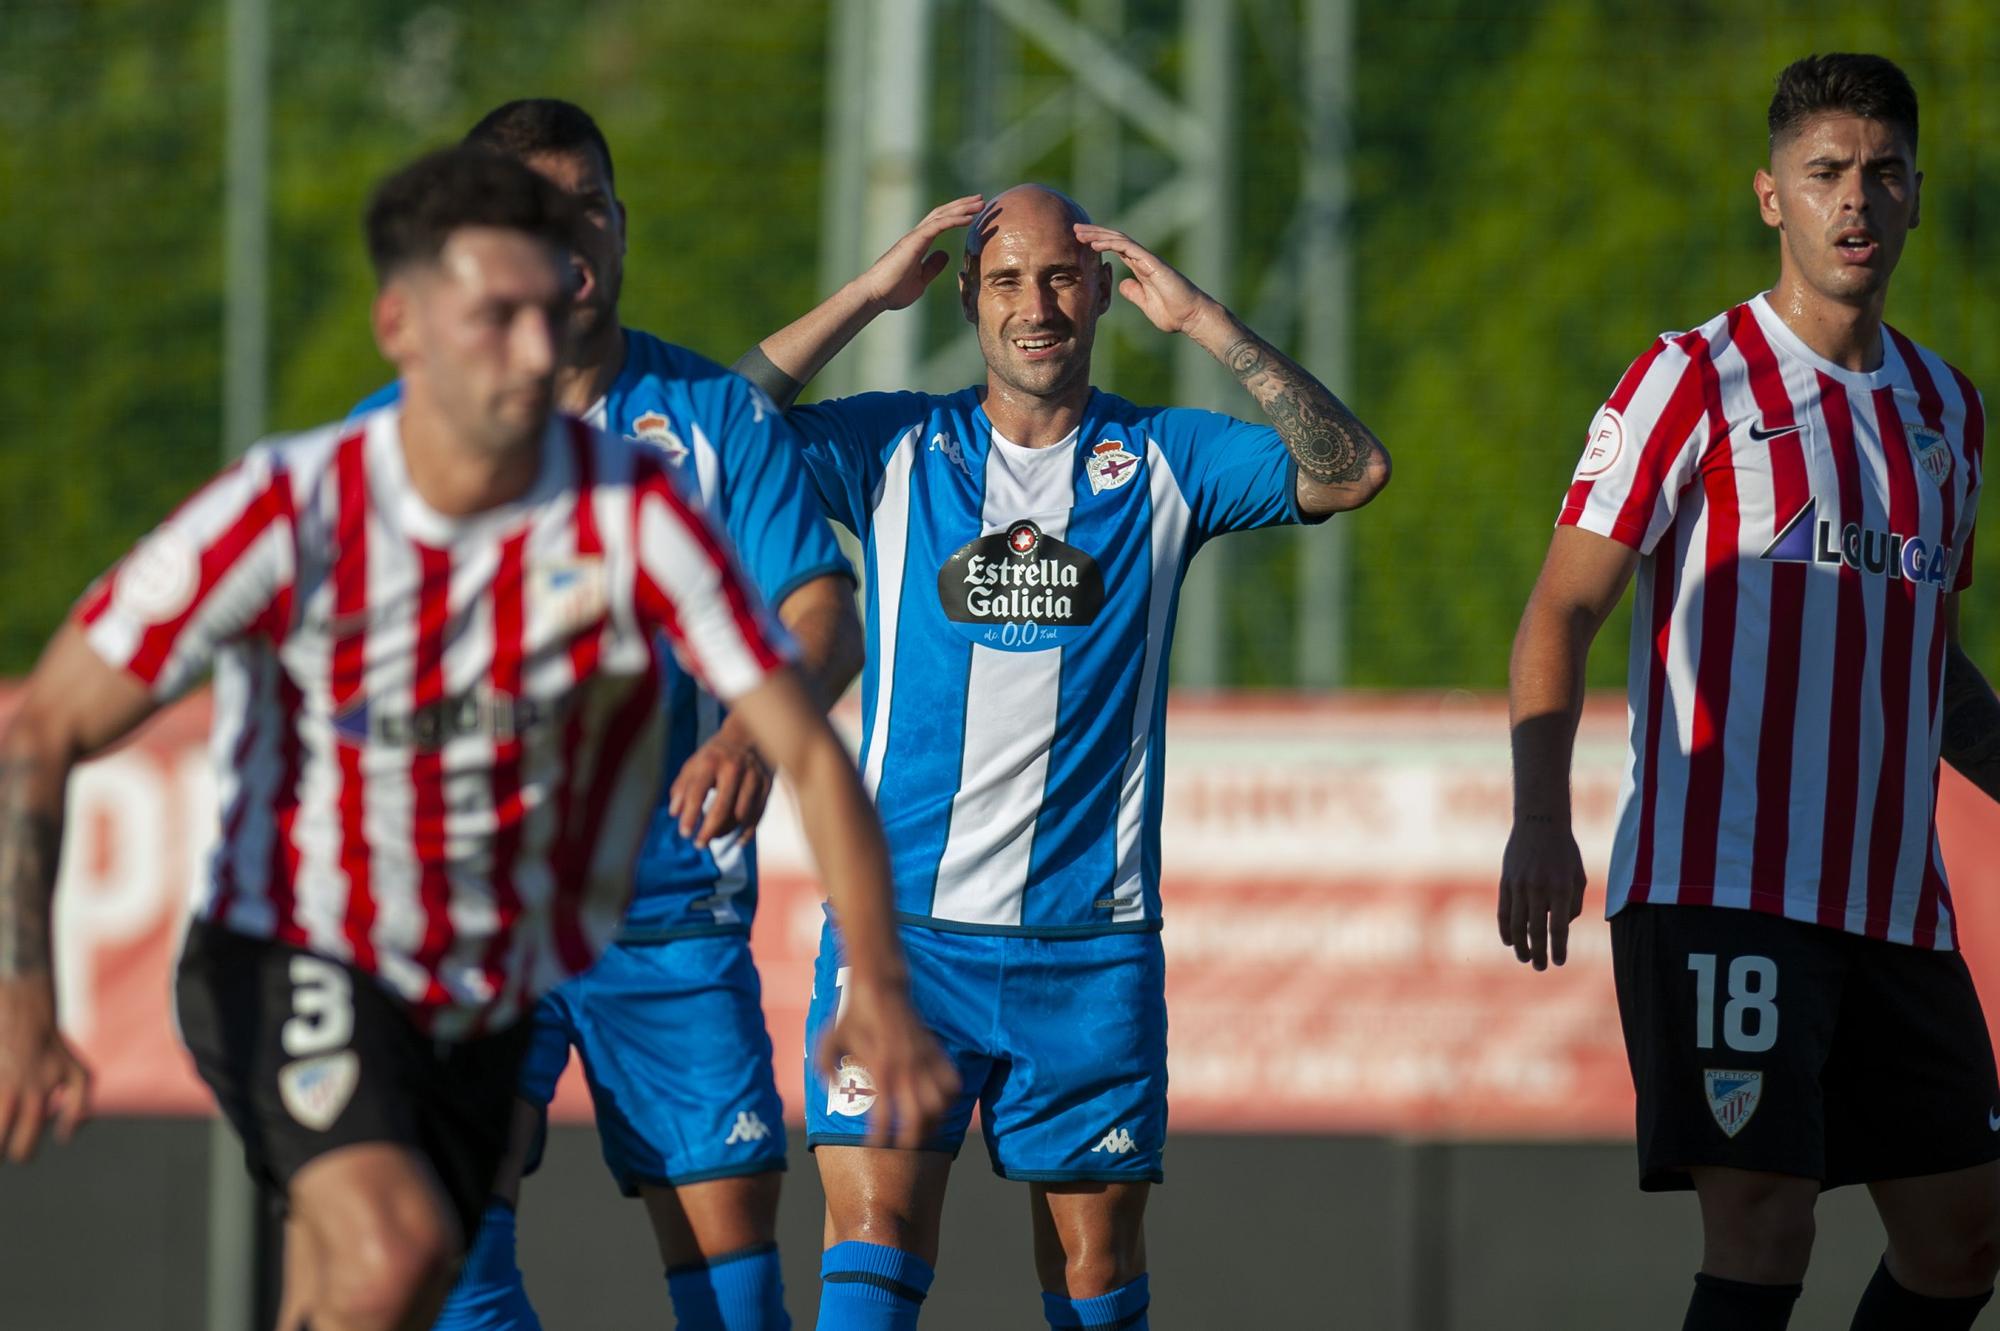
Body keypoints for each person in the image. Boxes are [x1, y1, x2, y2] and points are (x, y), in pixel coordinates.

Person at [0, 145, 952, 1331]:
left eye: (544, 312)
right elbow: (43, 728)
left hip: (494, 970)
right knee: (395, 1253)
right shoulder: (293, 505)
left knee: (374, 1293)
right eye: (491, 317)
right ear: (401, 325)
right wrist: (25, 996)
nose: (532, 346)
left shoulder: (625, 504)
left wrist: (881, 983)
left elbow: (808, 745)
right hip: (309, 946)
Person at [730, 184, 1390, 1329]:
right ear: (969, 299)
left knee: (1092, 1268)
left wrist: (1207, 325)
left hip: (1086, 948)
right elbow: (715, 432)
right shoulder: (889, 444)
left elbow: (1347, 470)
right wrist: (867, 295)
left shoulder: (1163, 458)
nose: (1034, 305)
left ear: (1099, 294)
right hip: (903, 939)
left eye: (1059, 277)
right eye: (1005, 279)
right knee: (873, 1226)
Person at [1500, 52, 1999, 1331]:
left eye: (1880, 174)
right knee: (1764, 1223)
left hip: (1893, 902)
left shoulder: (1948, 412)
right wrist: (1540, 818)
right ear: (1768, 195)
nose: (1854, 201)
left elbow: (1920, 658)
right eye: (1824, 173)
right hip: (1723, 885)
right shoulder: (1689, 377)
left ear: (1914, 196)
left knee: (1961, 1235)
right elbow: (1560, 605)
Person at [353, 100, 863, 1331]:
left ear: (619, 221)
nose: (568, 229)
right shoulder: (400, 435)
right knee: (439, 1249)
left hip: (668, 914)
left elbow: (822, 616)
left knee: (733, 1281)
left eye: (588, 200)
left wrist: (748, 729)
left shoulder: (713, 419)